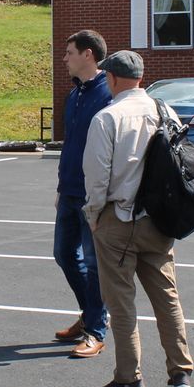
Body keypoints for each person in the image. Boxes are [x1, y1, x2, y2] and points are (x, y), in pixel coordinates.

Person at [81, 49, 194, 387]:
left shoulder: (108, 117)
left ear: (111, 78)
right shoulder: (165, 110)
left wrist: (94, 217)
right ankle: (180, 374)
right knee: (167, 297)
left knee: (122, 302)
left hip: (120, 216)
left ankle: (129, 380)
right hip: (159, 219)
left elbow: (97, 179)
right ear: (141, 77)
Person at [53, 30, 112, 359]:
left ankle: (96, 331)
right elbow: (70, 148)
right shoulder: (74, 95)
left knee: (92, 263)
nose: (65, 58)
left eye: (70, 52)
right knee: (64, 254)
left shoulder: (107, 93)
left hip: (94, 196)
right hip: (70, 192)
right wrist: (61, 188)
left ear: (88, 55)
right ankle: (90, 313)